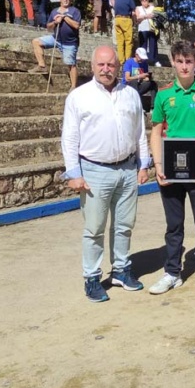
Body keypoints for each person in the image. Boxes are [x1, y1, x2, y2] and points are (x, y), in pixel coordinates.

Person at [60, 45, 150, 302]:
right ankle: (91, 277)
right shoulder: (78, 96)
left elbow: (139, 132)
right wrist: (73, 173)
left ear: (118, 66)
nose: (106, 69)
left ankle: (121, 270)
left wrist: (143, 164)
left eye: (110, 65)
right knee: (94, 228)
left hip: (127, 168)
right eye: (101, 65)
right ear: (92, 66)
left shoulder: (131, 94)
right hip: (94, 171)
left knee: (124, 225)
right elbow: (70, 137)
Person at [148, 40, 195, 295]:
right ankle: (172, 272)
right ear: (172, 61)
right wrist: (158, 164)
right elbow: (156, 131)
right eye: (179, 61)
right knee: (174, 224)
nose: (184, 66)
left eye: (189, 61)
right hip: (170, 168)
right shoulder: (164, 95)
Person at [28, 0, 80, 90]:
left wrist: (64, 17)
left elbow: (76, 25)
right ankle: (42, 66)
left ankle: (73, 86)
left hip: (69, 43)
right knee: (36, 42)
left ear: (70, 0)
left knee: (71, 63)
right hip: (56, 38)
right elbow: (49, 27)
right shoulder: (54, 11)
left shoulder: (75, 11)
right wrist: (55, 22)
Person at [123, 47, 157, 112]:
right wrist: (139, 76)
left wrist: (146, 78)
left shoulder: (144, 64)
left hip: (139, 85)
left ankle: (153, 107)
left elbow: (144, 76)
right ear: (136, 55)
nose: (142, 59)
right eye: (141, 57)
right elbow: (127, 78)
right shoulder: (129, 62)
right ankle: (138, 106)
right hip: (128, 86)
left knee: (153, 84)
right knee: (134, 82)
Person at [113, 0, 135, 64]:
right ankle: (128, 60)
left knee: (120, 41)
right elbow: (133, 11)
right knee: (128, 41)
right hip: (126, 19)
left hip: (117, 19)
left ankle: (121, 60)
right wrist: (134, 21)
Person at [135, 0, 160, 66]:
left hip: (152, 29)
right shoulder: (138, 8)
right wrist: (146, 16)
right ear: (140, 1)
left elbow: (156, 15)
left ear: (149, 0)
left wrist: (144, 17)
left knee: (153, 45)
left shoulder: (152, 8)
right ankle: (143, 61)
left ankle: (155, 60)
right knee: (143, 45)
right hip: (142, 29)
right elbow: (137, 18)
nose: (144, 1)